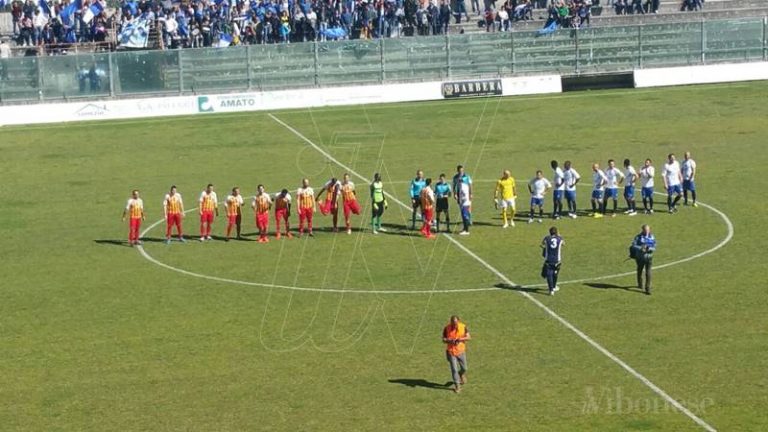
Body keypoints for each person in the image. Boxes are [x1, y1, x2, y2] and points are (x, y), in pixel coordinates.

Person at [442, 315, 471, 393]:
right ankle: (457, 386)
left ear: (458, 321)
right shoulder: (446, 328)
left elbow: (469, 337)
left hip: (461, 351)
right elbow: (443, 339)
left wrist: (460, 339)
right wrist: (449, 340)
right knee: (454, 369)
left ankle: (461, 374)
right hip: (451, 352)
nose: (454, 324)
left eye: (455, 322)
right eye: (452, 322)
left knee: (464, 368)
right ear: (450, 322)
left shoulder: (463, 327)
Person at [630, 224, 656, 295]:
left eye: (647, 230)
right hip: (640, 257)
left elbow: (654, 247)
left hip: (649, 257)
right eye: (645, 230)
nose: (646, 231)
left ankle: (647, 288)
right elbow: (633, 245)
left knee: (648, 273)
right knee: (640, 270)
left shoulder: (652, 237)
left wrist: (648, 248)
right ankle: (640, 283)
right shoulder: (638, 237)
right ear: (642, 230)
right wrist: (641, 248)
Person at [541, 226, 564, 296]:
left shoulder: (547, 238)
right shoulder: (560, 239)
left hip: (549, 260)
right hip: (557, 260)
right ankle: (554, 286)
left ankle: (551, 290)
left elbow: (542, 243)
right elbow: (564, 244)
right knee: (555, 274)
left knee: (549, 275)